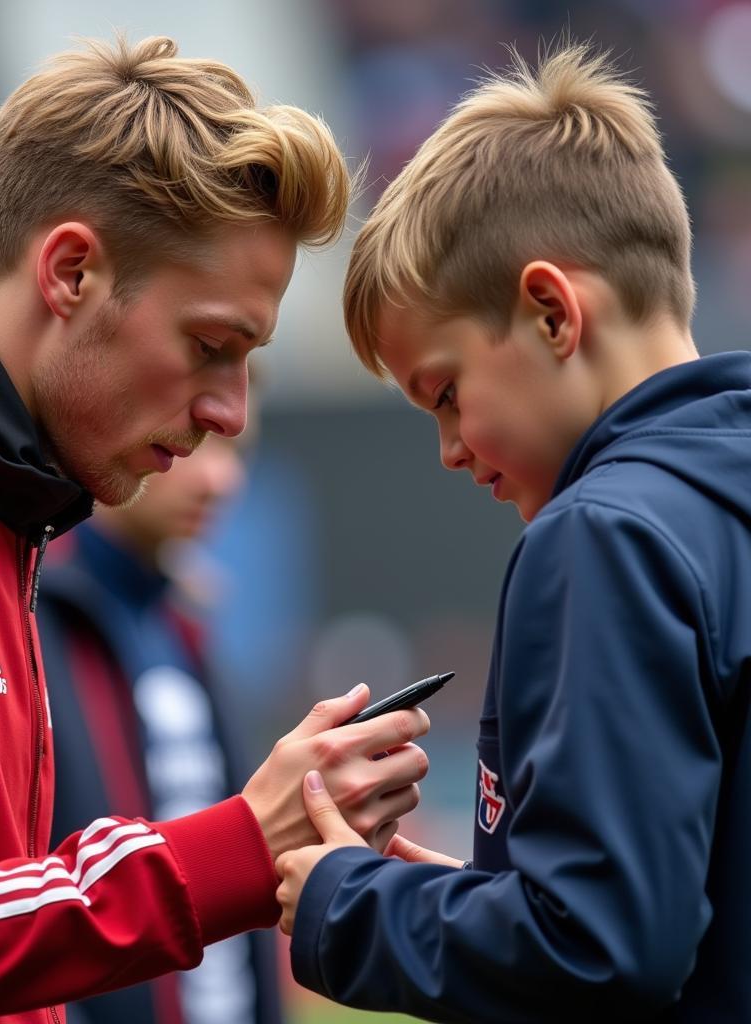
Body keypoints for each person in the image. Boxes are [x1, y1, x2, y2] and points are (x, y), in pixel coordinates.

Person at [0, 36, 431, 1024]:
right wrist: (231, 846)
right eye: (210, 346)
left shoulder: (3, 507)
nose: (231, 411)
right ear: (68, 272)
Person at [275, 42, 751, 1022]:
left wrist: (349, 902)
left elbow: (601, 950)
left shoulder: (602, 535)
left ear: (548, 310)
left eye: (446, 393)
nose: (449, 449)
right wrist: (484, 896)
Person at [37, 381, 283, 1024]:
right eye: (195, 445)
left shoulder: (187, 623)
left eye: (238, 453)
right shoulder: (30, 612)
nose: (222, 481)